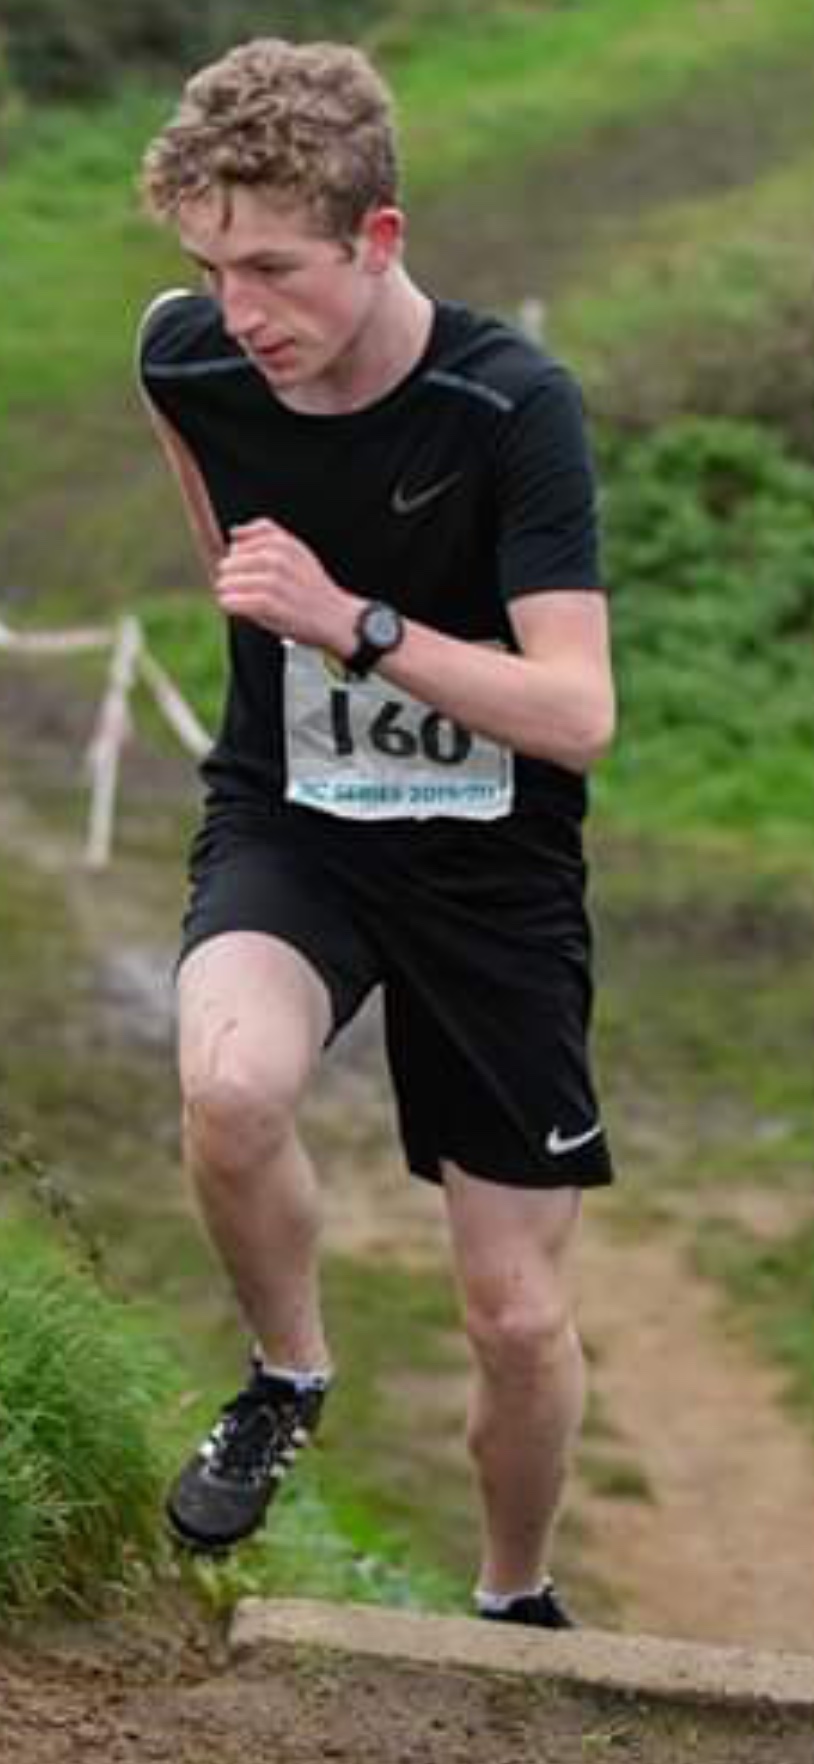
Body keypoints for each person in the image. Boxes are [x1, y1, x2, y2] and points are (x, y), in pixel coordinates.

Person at [137, 35, 615, 1631]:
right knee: (228, 1088)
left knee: (512, 1319)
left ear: (378, 237)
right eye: (211, 268)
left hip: (491, 861)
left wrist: (354, 623)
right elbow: (232, 561)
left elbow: (576, 712)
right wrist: (290, 626)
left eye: (274, 269)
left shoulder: (509, 405)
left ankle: (512, 1598)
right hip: (298, 820)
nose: (239, 310)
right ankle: (286, 1375)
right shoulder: (185, 359)